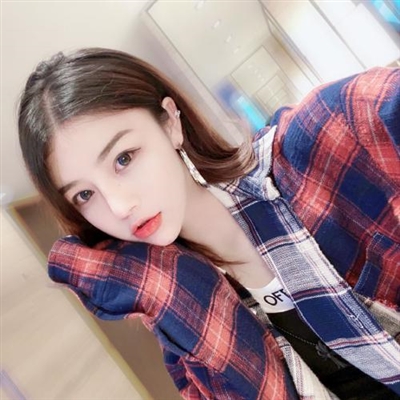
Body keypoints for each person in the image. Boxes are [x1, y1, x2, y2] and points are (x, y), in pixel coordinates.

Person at [18, 48, 400, 400]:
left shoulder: (312, 153)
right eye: (85, 195)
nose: (119, 207)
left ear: (170, 123)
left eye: (124, 158)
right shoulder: (189, 330)